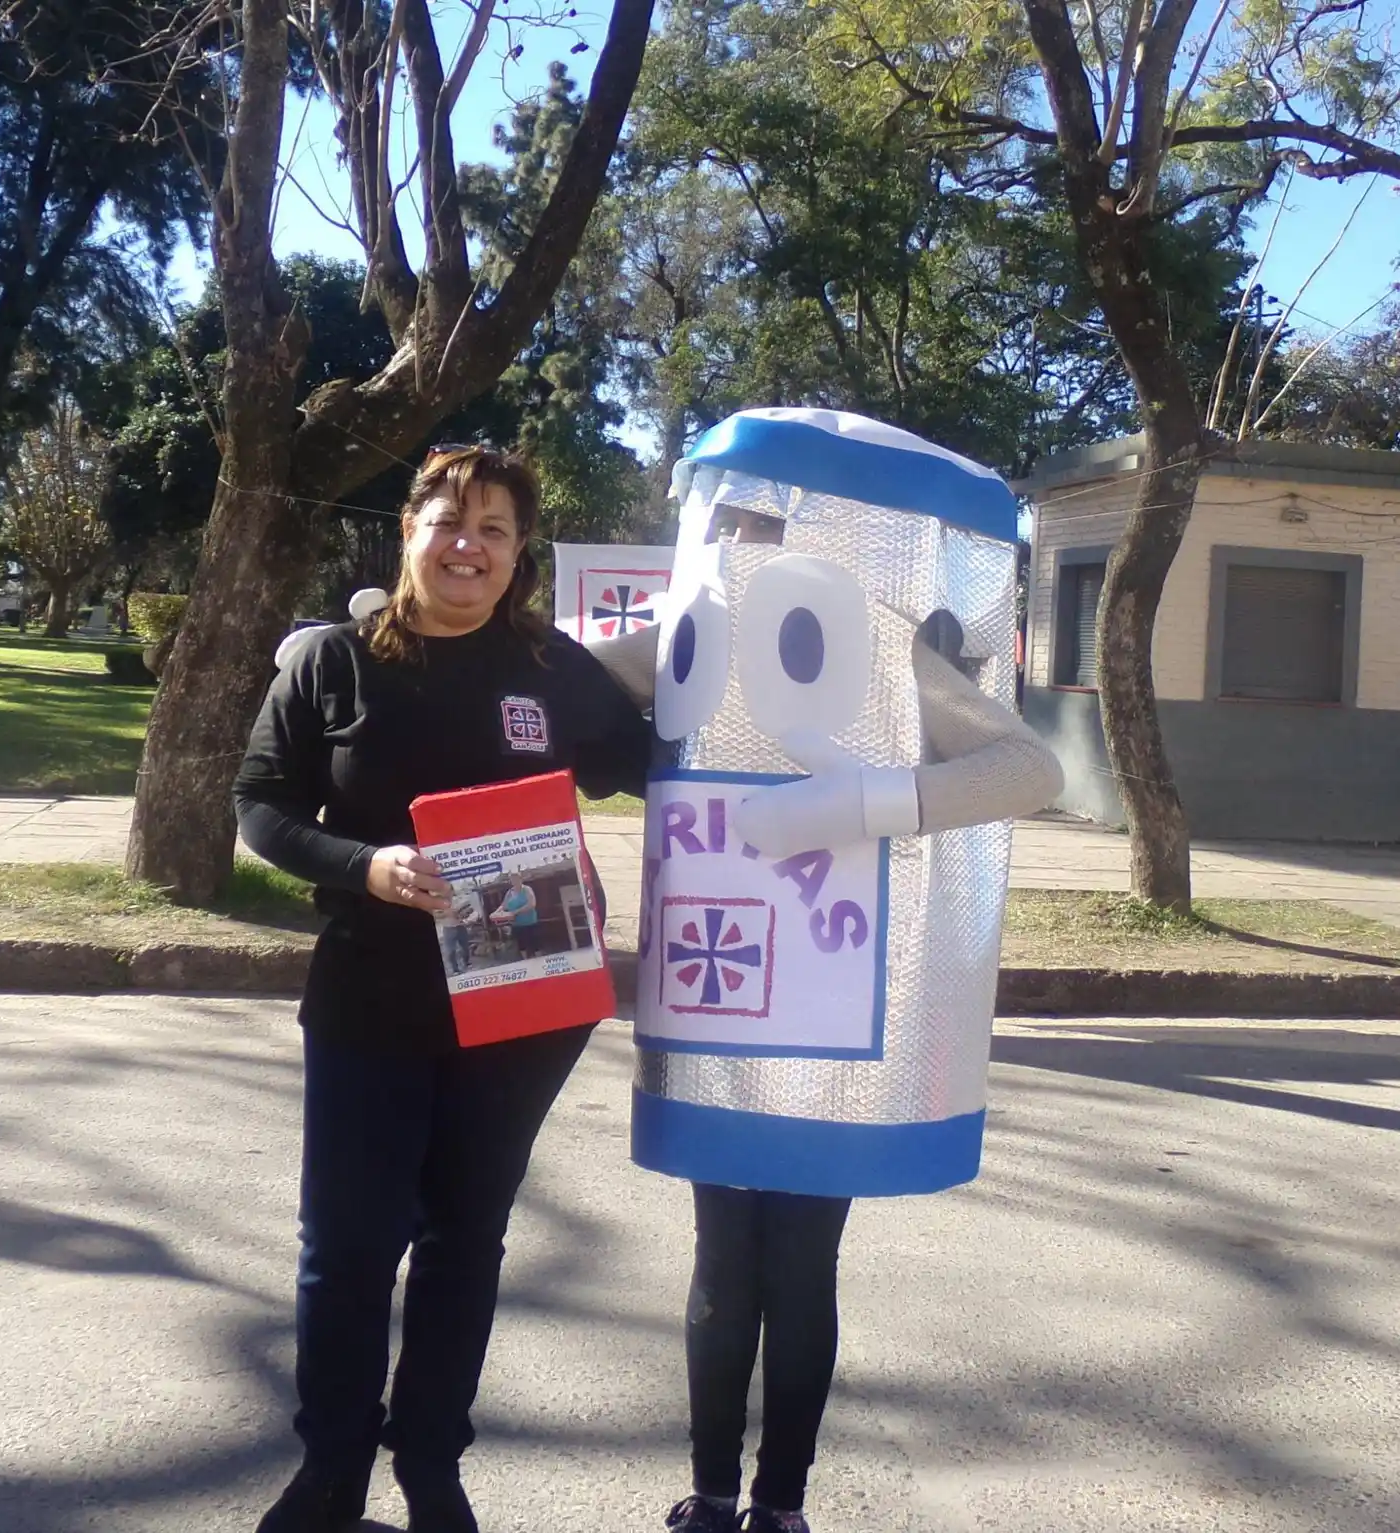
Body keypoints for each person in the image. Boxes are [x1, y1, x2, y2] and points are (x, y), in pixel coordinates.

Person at [590, 494, 1062, 1533]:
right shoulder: (686, 635)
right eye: (738, 524)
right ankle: (713, 1493)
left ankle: (782, 1504)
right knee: (722, 1253)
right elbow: (541, 686)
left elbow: (1028, 767)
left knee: (802, 1261)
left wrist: (858, 803)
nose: (752, 546)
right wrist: (371, 654)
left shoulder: (881, 649)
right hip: (714, 1007)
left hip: (840, 1005)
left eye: (778, 525)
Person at [234, 444, 651, 1533]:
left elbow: (663, 762)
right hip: (373, 995)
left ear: (520, 554)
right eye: (450, 521)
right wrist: (360, 867)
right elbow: (262, 806)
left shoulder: (555, 669)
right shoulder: (331, 664)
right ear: (409, 531)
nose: (470, 545)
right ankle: (331, 1465)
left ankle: (430, 1460)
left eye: (497, 529)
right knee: (349, 1243)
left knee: (465, 1240)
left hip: (523, 1009)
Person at [489, 871, 541, 957]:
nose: (514, 881)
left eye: (516, 878)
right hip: (517, 924)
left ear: (520, 879)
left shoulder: (527, 889)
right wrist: (495, 913)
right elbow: (504, 905)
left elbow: (532, 904)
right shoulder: (509, 892)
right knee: (522, 947)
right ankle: (526, 962)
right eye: (512, 879)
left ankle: (540, 963)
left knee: (535, 946)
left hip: (530, 923)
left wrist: (515, 912)